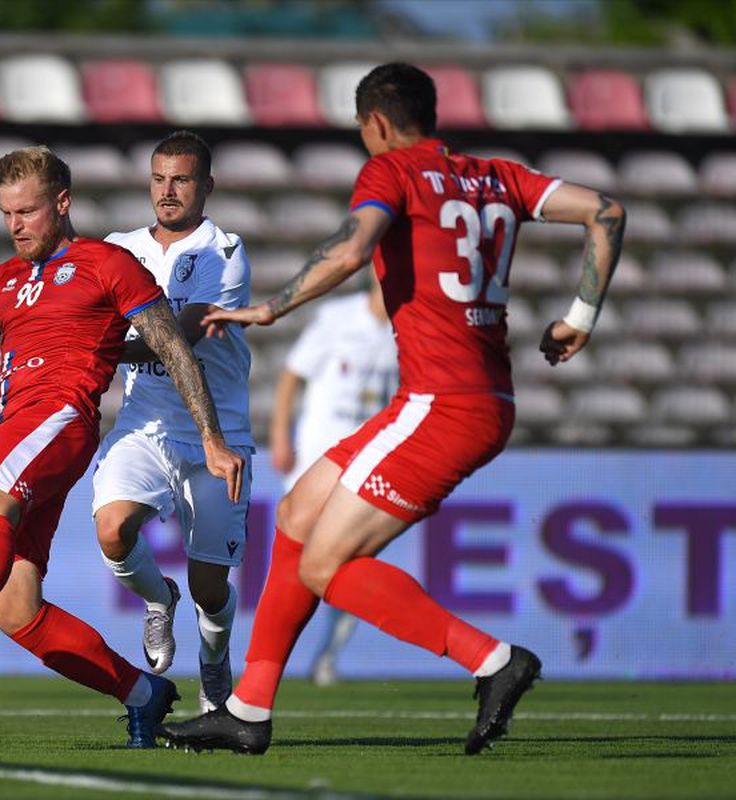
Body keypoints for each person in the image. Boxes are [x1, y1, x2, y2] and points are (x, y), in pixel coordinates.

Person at [161, 62, 625, 755]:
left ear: (375, 122)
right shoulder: (497, 176)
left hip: (443, 404)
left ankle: (492, 660)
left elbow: (353, 249)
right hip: (466, 396)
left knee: (324, 566)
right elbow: (607, 211)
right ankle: (248, 709)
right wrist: (580, 317)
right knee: (296, 517)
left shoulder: (393, 170)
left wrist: (270, 307)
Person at [0, 145, 245, 748]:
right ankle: (142, 693)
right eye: (7, 214)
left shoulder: (107, 264)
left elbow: (173, 348)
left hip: (58, 417)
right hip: (14, 427)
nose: (15, 225)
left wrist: (212, 436)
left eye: (26, 212)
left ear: (62, 202)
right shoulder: (5, 279)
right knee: (15, 608)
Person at [92, 131, 254, 714]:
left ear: (206, 186)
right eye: (159, 179)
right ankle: (158, 598)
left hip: (218, 433)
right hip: (145, 423)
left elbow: (180, 337)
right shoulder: (118, 249)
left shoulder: (224, 252)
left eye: (181, 180)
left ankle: (214, 662)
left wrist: (100, 348)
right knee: (113, 529)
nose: (167, 191)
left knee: (209, 588)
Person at [269, 275, 397, 686]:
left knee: (351, 562)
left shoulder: (409, 328)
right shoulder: (338, 317)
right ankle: (270, 659)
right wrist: (280, 436)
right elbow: (293, 374)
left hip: (369, 459)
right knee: (297, 559)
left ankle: (327, 656)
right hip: (317, 456)